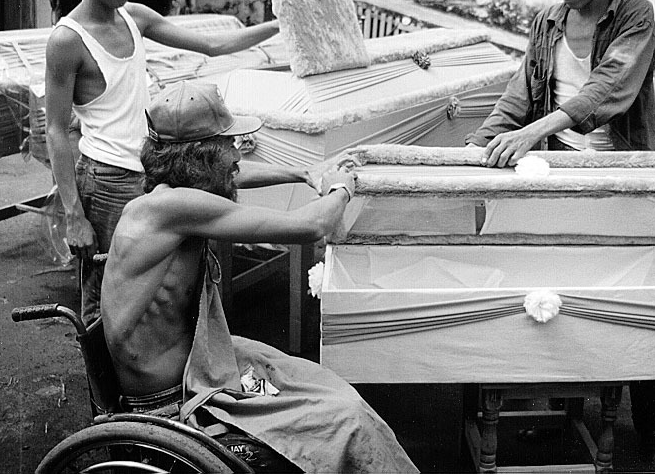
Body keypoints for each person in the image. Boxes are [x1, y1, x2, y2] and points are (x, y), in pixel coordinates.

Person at [98, 81, 418, 473]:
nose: (237, 154)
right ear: (202, 157)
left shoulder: (166, 193)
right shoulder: (176, 207)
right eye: (230, 145)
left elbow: (236, 174)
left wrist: (304, 172)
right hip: (181, 397)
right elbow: (313, 225)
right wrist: (341, 188)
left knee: (316, 383)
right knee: (346, 418)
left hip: (202, 366)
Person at [465, 0, 655, 472]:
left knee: (631, 291)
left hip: (619, 172)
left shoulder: (635, 15)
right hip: (557, 170)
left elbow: (608, 91)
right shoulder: (547, 21)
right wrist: (474, 147)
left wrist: (532, 132)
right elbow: (519, 92)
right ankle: (567, 410)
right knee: (557, 285)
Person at [44, 0, 281, 324]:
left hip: (151, 170)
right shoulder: (68, 40)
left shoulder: (134, 16)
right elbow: (55, 129)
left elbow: (212, 44)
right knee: (106, 293)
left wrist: (282, 26)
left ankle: (153, 379)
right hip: (105, 182)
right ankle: (102, 385)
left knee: (157, 285)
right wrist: (75, 214)